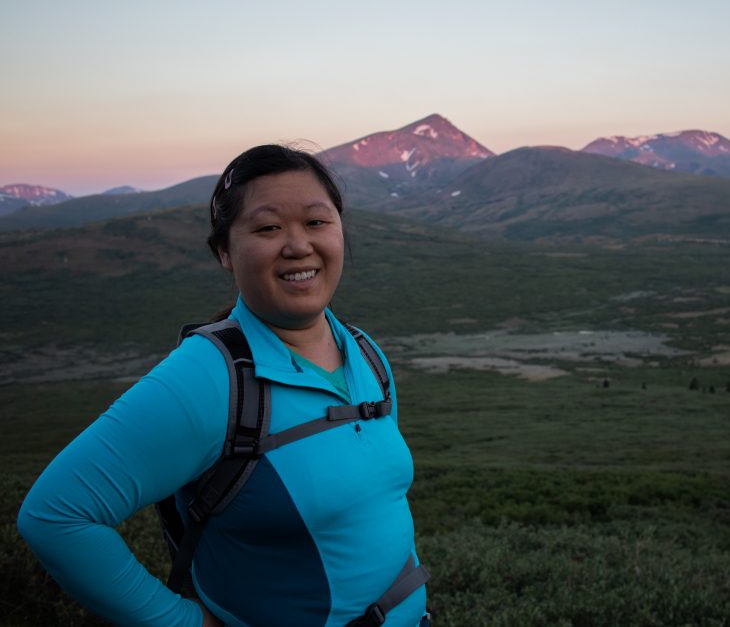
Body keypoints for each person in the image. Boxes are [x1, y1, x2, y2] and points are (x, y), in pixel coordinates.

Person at [18, 144, 428, 626]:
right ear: (225, 252)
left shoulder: (365, 353)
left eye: (317, 222)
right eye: (268, 227)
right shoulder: (207, 378)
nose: (298, 245)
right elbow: (55, 517)